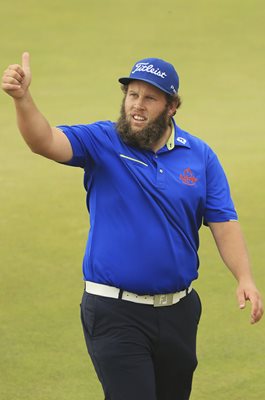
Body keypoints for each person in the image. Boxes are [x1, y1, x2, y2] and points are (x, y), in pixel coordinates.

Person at [2, 53, 263, 400]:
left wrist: (244, 277)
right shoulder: (101, 142)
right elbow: (44, 141)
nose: (137, 106)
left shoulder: (199, 155)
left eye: (150, 98)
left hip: (178, 312)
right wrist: (23, 99)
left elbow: (223, 221)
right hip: (114, 311)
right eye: (132, 95)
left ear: (171, 107)